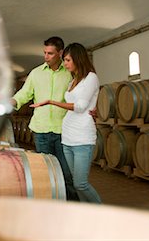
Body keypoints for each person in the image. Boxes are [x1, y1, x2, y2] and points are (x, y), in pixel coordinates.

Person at [31, 43, 102, 203]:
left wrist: (51, 102)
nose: (65, 64)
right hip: (67, 137)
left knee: (81, 184)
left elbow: (80, 106)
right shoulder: (73, 80)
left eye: (68, 60)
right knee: (73, 183)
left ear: (78, 59)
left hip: (83, 137)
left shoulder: (91, 77)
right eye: (65, 60)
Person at [11, 36, 79, 201]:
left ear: (60, 53)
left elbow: (79, 96)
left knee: (67, 173)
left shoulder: (70, 72)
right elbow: (24, 94)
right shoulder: (36, 73)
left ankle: (74, 207)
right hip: (41, 131)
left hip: (64, 131)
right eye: (44, 53)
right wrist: (12, 101)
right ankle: (50, 207)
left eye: (50, 53)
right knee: (46, 174)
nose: (46, 57)